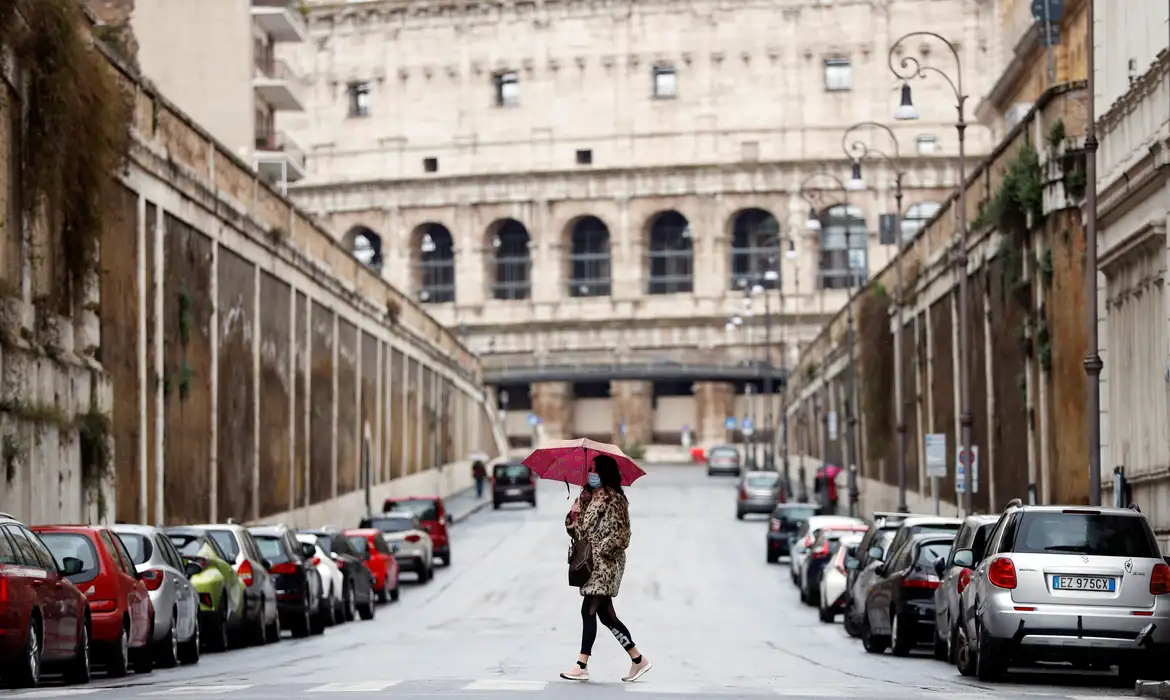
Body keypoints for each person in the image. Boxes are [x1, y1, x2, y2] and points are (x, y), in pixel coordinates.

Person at [560, 455, 651, 683]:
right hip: (591, 565)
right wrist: (573, 517)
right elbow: (579, 533)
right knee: (607, 616)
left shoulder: (615, 499)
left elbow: (623, 535)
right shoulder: (588, 497)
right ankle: (638, 659)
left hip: (606, 566)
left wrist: (603, 549)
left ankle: (581, 664)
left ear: (603, 472)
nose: (590, 473)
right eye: (589, 469)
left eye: (593, 469)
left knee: (588, 609)